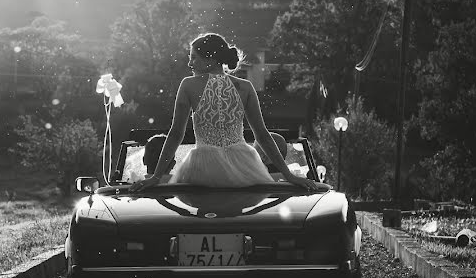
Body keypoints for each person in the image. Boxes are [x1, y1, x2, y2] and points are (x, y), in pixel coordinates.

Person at [130, 33, 329, 192]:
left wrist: (156, 177)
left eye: (194, 58)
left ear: (212, 59)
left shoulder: (188, 85)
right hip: (244, 167)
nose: (190, 64)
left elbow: (175, 134)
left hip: (203, 168)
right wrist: (289, 176)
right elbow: (262, 136)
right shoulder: (245, 87)